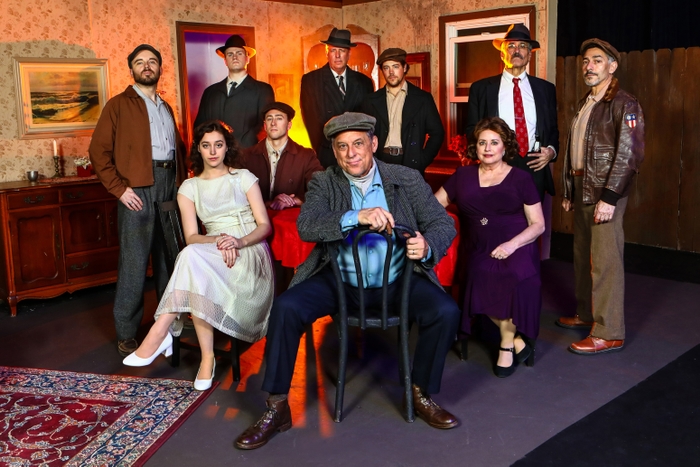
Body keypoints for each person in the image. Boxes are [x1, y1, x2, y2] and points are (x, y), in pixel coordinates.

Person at [234, 112, 461, 450]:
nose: (351, 153)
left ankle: (421, 393)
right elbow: (308, 226)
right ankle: (277, 407)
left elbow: (442, 224)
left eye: (358, 144)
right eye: (342, 147)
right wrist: (356, 216)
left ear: (373, 144)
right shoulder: (324, 182)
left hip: (398, 281)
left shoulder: (405, 178)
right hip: (339, 282)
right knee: (286, 308)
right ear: (335, 152)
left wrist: (428, 245)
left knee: (445, 311)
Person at [123, 120, 275, 389]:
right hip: (213, 249)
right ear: (198, 149)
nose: (213, 152)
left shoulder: (243, 177)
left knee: (192, 260)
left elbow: (265, 226)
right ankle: (205, 357)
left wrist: (237, 242)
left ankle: (162, 332)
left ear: (227, 147)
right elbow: (193, 237)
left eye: (218, 145)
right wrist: (221, 241)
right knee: (194, 259)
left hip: (248, 249)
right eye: (206, 146)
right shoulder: (189, 187)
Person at [89, 44, 187, 357]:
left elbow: (177, 150)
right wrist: (119, 189)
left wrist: (182, 185)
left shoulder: (166, 106)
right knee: (134, 262)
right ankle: (126, 332)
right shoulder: (118, 105)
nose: (147, 66)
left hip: (169, 185)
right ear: (131, 68)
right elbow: (98, 152)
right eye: (140, 62)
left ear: (160, 68)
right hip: (137, 189)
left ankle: (168, 323)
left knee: (168, 259)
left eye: (152, 61)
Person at [435, 117, 545, 377]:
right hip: (478, 247)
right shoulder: (462, 176)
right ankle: (516, 340)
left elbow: (538, 224)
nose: (487, 148)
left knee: (514, 275)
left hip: (518, 244)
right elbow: (434, 205)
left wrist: (512, 245)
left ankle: (506, 345)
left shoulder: (521, 178)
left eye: (494, 142)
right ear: (475, 146)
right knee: (481, 273)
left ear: (505, 147)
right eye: (482, 142)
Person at [557, 39, 644, 355]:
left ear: (612, 65)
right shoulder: (587, 102)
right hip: (583, 186)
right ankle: (586, 314)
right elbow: (577, 150)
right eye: (585, 61)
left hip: (605, 191)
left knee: (605, 261)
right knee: (583, 255)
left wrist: (609, 197)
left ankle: (609, 332)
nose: (589, 66)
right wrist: (570, 189)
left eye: (596, 60)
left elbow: (630, 155)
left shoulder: (625, 103)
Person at [465, 24, 559, 201]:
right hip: (497, 164)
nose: (517, 50)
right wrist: (487, 156)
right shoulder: (481, 88)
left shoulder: (546, 89)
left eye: (522, 46)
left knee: (533, 217)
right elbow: (472, 129)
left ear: (529, 55)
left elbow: (553, 129)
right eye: (511, 46)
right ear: (502, 54)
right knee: (497, 215)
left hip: (534, 166)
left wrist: (551, 151)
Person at [361, 48, 444, 175]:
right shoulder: (371, 100)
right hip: (379, 162)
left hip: (410, 161)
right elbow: (363, 134)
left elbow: (437, 133)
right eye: (386, 68)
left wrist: (421, 160)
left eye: (395, 66)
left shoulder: (423, 98)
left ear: (404, 68)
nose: (391, 72)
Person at [300, 28, 374, 168]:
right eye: (333, 50)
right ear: (327, 53)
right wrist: (324, 148)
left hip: (357, 154)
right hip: (327, 152)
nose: (338, 55)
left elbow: (367, 119)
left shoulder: (364, 82)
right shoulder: (311, 80)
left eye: (342, 51)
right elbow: (310, 121)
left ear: (349, 54)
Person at [194, 35, 274, 148]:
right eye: (230, 54)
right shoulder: (210, 92)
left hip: (249, 155)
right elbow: (199, 127)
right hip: (216, 156)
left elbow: (267, 126)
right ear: (225, 60)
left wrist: (247, 145)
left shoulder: (263, 90)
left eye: (239, 53)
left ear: (247, 59)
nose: (235, 57)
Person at [243, 101, 323, 210]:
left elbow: (321, 189)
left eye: (279, 118)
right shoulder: (247, 156)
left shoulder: (306, 156)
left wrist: (294, 201)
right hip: (254, 217)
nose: (273, 123)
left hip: (289, 218)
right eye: (269, 119)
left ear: (289, 125)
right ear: (265, 126)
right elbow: (235, 194)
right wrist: (269, 203)